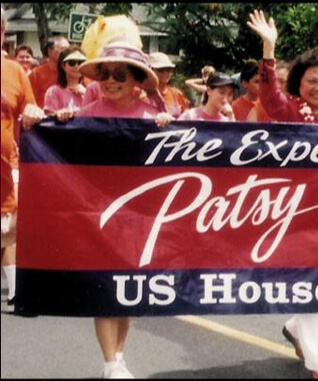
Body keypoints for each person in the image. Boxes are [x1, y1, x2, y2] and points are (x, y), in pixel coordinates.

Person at [60, 40, 173, 378]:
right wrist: (54, 120)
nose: (110, 81)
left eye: (119, 74)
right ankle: (110, 363)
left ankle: (119, 357)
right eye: (105, 74)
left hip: (141, 219)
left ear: (137, 78)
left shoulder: (154, 117)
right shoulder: (87, 114)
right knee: (108, 290)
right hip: (100, 218)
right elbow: (51, 134)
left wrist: (172, 127)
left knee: (130, 290)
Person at [248, 9, 318, 378]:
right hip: (296, 213)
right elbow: (270, 95)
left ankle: (293, 328)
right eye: (311, 81)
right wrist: (269, 49)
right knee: (314, 287)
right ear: (299, 85)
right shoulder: (289, 110)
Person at [1, 6, 45, 310]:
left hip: (7, 166)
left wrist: (34, 113)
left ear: (3, 30)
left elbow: (29, 111)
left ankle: (16, 292)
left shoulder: (15, 71)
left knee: (9, 230)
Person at [43, 46, 87, 122]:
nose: (76, 66)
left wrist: (86, 94)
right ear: (63, 66)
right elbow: (48, 120)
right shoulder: (53, 91)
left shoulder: (90, 91)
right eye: (72, 62)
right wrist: (58, 115)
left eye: (80, 62)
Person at [28, 35, 70, 108]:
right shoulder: (37, 74)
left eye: (69, 49)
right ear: (50, 51)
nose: (68, 52)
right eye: (63, 49)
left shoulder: (74, 71)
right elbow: (28, 99)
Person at [148, 52, 190, 118]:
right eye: (161, 70)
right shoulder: (142, 94)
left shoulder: (177, 94)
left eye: (169, 70)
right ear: (151, 71)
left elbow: (187, 118)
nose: (165, 73)